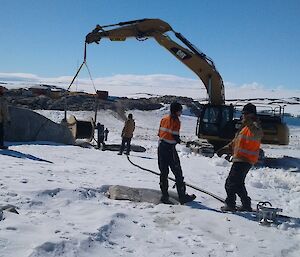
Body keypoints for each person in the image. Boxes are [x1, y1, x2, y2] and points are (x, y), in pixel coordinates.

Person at [217, 103, 263, 212]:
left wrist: (249, 122)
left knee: (230, 183)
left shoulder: (255, 125)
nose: (244, 115)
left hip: (245, 160)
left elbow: (257, 135)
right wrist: (225, 149)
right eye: (243, 113)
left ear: (252, 114)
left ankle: (230, 205)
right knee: (238, 184)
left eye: (246, 113)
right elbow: (235, 142)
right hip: (240, 159)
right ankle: (246, 205)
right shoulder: (244, 127)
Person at [158, 102, 196, 205]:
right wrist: (184, 142)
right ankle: (182, 196)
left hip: (161, 148)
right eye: (180, 110)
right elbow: (175, 137)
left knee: (163, 173)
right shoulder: (176, 121)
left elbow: (159, 133)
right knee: (178, 173)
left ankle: (164, 196)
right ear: (176, 111)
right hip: (170, 150)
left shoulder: (164, 119)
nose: (181, 112)